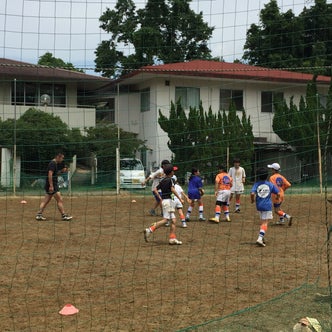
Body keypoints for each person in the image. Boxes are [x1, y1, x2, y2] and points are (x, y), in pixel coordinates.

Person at [143, 164, 184, 245]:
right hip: (169, 202)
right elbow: (172, 190)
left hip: (165, 201)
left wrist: (160, 198)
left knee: (173, 220)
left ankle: (172, 238)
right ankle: (150, 229)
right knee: (166, 220)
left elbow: (155, 189)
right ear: (171, 172)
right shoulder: (171, 180)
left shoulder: (162, 180)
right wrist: (180, 199)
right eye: (173, 171)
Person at [35, 152, 72, 221]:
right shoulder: (52, 164)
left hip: (51, 184)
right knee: (59, 199)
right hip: (52, 185)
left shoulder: (54, 164)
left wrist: (62, 171)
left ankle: (39, 215)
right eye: (62, 158)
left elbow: (55, 173)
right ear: (58, 157)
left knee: (46, 200)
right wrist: (51, 186)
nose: (62, 160)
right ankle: (64, 215)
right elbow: (50, 174)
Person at [250, 167, 280, 247]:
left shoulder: (256, 184)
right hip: (267, 206)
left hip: (259, 205)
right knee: (265, 222)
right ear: (267, 176)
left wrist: (252, 200)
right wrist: (277, 198)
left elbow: (252, 193)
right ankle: (260, 238)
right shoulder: (270, 184)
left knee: (263, 221)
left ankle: (262, 236)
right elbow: (278, 193)